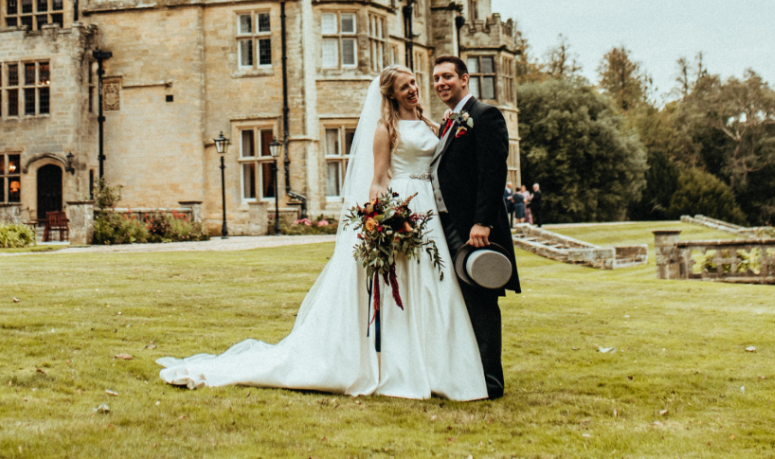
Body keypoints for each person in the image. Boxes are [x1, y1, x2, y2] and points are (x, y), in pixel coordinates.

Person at [157, 65, 488, 400]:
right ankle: (398, 366)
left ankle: (436, 365)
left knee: (433, 284)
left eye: (415, 83)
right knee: (398, 286)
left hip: (428, 208)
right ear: (390, 94)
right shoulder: (384, 129)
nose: (414, 89)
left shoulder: (431, 122)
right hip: (403, 206)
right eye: (405, 87)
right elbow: (378, 180)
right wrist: (387, 221)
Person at [428, 55, 520, 400]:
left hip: (472, 226)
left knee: (480, 300)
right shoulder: (450, 121)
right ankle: (466, 373)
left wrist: (482, 222)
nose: (441, 83)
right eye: (436, 78)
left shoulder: (484, 115)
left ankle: (490, 383)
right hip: (447, 223)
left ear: (465, 79)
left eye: (448, 76)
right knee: (459, 299)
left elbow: (494, 172)